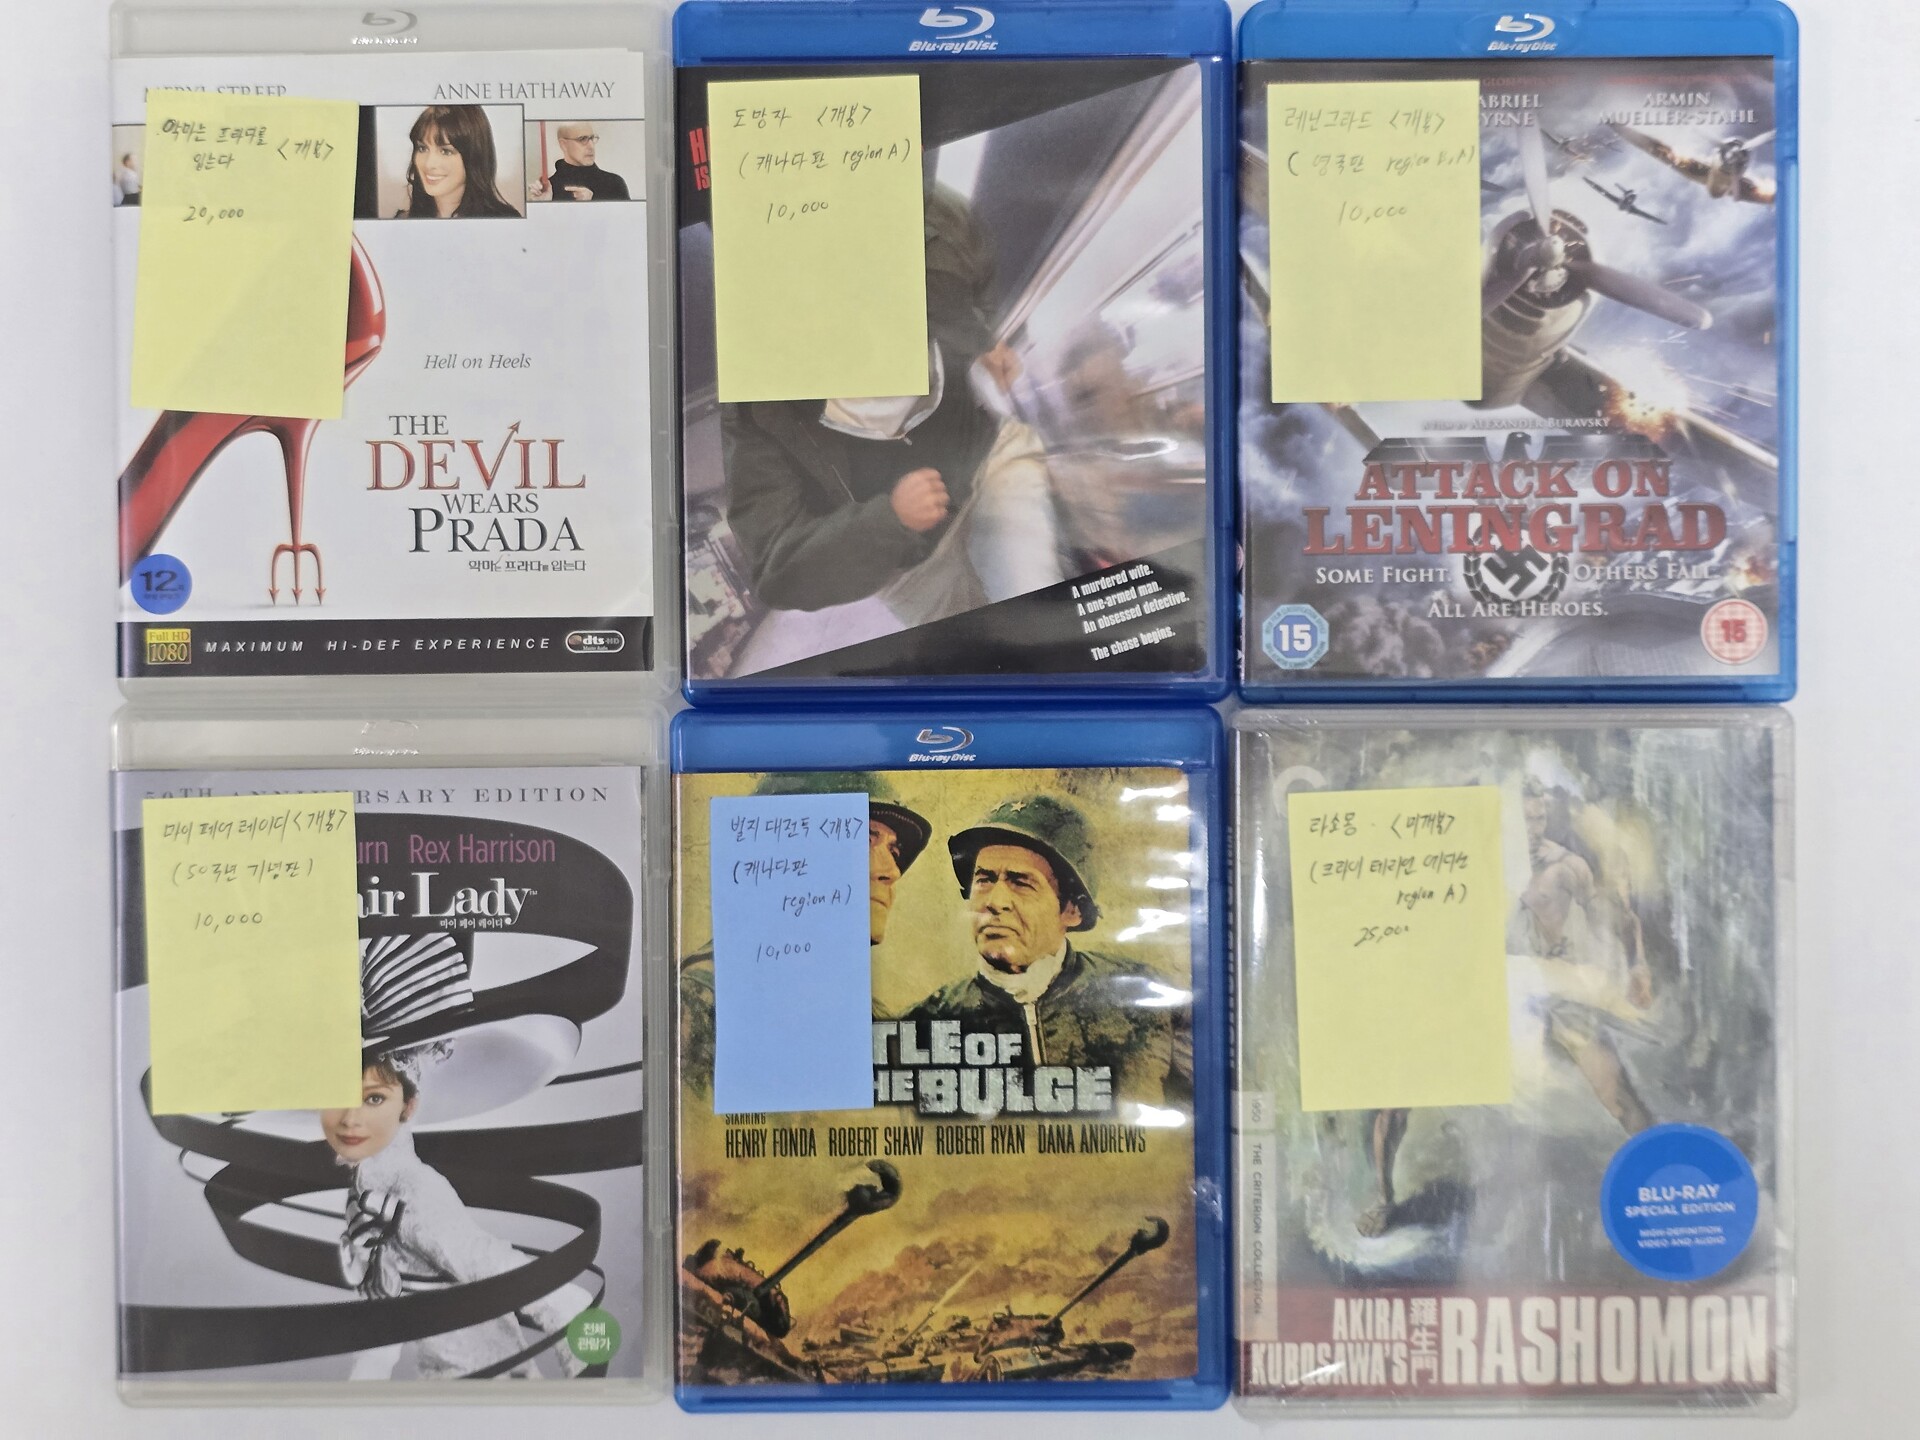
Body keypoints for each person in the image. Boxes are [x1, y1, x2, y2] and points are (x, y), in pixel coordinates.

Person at [720, 184, 1069, 646]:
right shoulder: (757, 408)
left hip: (987, 463)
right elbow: (776, 567)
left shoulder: (923, 241)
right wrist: (888, 521)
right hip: (911, 568)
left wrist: (981, 338)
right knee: (977, 654)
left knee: (1033, 610)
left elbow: (961, 278)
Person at [1354, 763, 1657, 1238]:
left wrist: (1637, 965)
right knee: (1393, 1098)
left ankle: (1664, 1177)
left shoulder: (1564, 866)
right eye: (1523, 819)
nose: (1532, 829)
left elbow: (1617, 914)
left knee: (1618, 1095)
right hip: (1475, 989)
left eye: (1539, 818)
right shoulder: (1459, 859)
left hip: (1549, 988)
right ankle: (1383, 1198)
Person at [328, 936, 589, 1378]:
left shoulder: (412, 1191)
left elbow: (492, 1265)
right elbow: (384, 1312)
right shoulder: (372, 1184)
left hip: (491, 1386)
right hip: (455, 1383)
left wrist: (575, 1327)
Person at [908, 794, 1191, 1108]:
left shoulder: (1149, 1004)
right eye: (984, 880)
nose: (995, 902)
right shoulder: (926, 1022)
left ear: (1072, 910)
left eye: (1021, 883)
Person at [679, 774, 932, 1099]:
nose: (892, 871)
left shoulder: (871, 1018)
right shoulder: (703, 999)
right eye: (863, 839)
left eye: (894, 851)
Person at [401, 104, 519, 219]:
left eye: (445, 151)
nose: (429, 164)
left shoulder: (506, 221)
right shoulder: (404, 220)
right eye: (422, 148)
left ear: (473, 155)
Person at [531, 124, 629, 201]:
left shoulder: (614, 184)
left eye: (592, 138)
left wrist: (594, 203)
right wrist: (543, 205)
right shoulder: (548, 189)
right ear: (563, 145)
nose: (591, 146)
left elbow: (627, 220)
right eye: (582, 139)